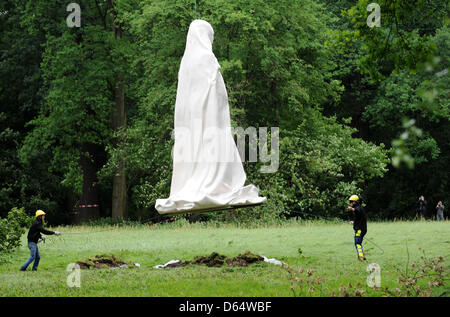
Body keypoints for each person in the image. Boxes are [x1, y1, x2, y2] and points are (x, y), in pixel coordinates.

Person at [347, 195, 367, 261]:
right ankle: (361, 256)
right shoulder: (359, 208)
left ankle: (361, 257)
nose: (350, 203)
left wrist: (351, 209)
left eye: (351, 202)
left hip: (360, 230)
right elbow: (359, 218)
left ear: (354, 202)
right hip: (360, 229)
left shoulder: (358, 208)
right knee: (358, 243)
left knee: (357, 243)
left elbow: (357, 211)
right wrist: (353, 222)